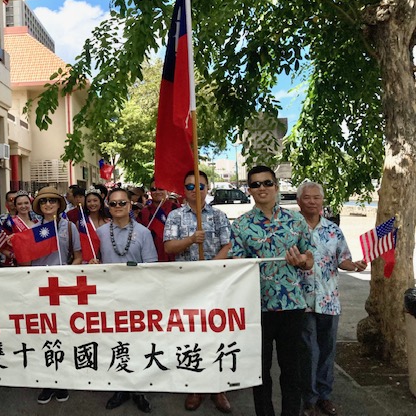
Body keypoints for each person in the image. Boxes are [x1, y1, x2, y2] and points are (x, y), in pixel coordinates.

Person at [230, 166, 316, 416]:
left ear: (276, 186)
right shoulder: (241, 225)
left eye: (267, 183)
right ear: (249, 190)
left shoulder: (296, 221)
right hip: (257, 308)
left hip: (292, 306)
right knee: (260, 372)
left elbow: (310, 258)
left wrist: (302, 261)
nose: (262, 188)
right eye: (255, 184)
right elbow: (236, 264)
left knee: (292, 371)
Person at [163, 170, 232, 413]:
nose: (195, 190)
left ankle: (218, 387)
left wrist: (210, 269)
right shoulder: (175, 216)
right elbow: (169, 247)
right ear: (184, 190)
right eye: (190, 187)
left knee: (216, 334)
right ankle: (195, 386)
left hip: (214, 283)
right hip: (186, 286)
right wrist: (191, 240)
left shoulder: (219, 215)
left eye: (200, 186)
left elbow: (228, 245)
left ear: (207, 187)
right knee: (191, 335)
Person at [296, 181, 367, 416]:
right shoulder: (292, 229)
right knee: (308, 351)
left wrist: (354, 266)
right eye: (307, 197)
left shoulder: (333, 230)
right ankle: (309, 399)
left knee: (327, 351)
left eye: (317, 197)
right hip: (302, 300)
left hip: (329, 300)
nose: (312, 201)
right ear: (299, 201)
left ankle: (324, 396)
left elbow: (342, 259)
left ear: (322, 201)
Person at [96, 187, 156, 413]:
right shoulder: (100, 233)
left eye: (122, 203)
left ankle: (139, 389)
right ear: (108, 207)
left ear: (130, 205)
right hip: (110, 298)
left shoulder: (143, 233)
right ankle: (120, 387)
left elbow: (151, 267)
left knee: (139, 344)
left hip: (137, 298)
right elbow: (94, 262)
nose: (118, 207)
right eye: (113, 203)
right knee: (116, 343)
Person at [22, 186, 81, 404]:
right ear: (39, 206)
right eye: (44, 201)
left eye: (52, 201)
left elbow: (78, 256)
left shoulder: (70, 227)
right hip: (40, 288)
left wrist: (67, 273)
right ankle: (47, 381)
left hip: (63, 287)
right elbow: (27, 260)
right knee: (43, 334)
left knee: (63, 333)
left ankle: (62, 380)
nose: (48, 204)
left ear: (59, 204)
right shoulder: (33, 229)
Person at [137, 178, 180, 262]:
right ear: (150, 192)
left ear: (166, 190)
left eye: (160, 189)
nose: (157, 192)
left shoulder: (176, 209)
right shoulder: (144, 213)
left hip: (175, 258)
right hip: (152, 258)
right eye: (154, 189)